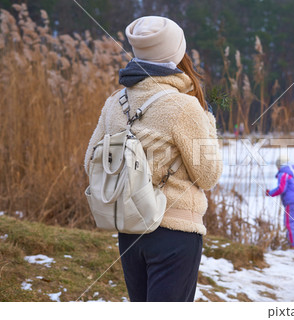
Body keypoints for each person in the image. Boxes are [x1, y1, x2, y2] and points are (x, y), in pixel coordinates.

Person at [84, 16, 223, 302]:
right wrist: (206, 118)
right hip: (176, 232)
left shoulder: (115, 101)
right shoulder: (185, 106)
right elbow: (208, 176)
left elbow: (91, 161)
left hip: (129, 229)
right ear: (176, 52)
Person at [266, 155, 294, 249]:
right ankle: (293, 243)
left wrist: (270, 193)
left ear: (279, 166)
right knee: (293, 223)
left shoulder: (283, 174)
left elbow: (281, 189)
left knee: (289, 223)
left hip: (291, 201)